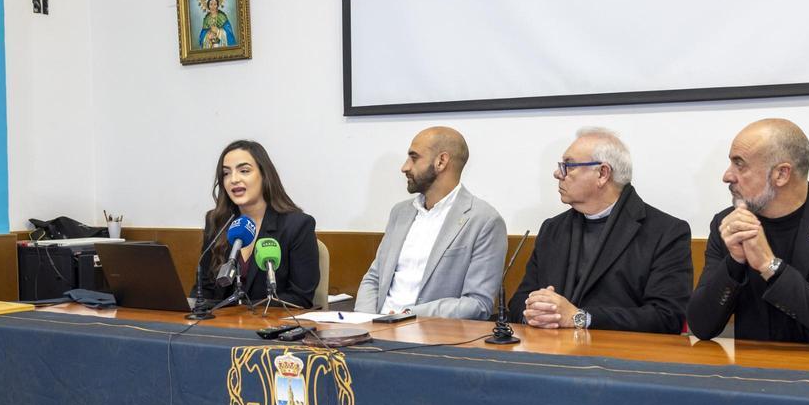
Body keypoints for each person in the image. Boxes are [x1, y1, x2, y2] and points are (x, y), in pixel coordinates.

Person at [686, 118, 809, 347]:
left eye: (740, 164)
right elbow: (702, 327)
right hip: (751, 367)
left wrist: (769, 266)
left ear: (781, 174)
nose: (727, 176)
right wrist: (734, 262)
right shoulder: (730, 225)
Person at [510, 128, 691, 332]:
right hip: (550, 348)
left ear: (603, 174)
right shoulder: (552, 229)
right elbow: (518, 301)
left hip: (622, 351)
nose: (557, 174)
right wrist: (533, 313)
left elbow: (667, 317)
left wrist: (581, 318)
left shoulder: (666, 232)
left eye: (568, 165)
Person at [355, 127, 507, 319]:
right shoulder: (400, 213)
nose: (405, 167)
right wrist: (363, 320)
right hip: (376, 327)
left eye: (414, 158)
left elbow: (478, 304)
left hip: (428, 331)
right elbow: (374, 278)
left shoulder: (484, 220)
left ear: (441, 161)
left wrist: (407, 315)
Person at [194, 140, 319, 307]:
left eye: (244, 171)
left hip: (270, 321)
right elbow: (204, 290)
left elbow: (300, 297)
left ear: (264, 175)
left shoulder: (297, 226)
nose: (233, 179)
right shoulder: (217, 222)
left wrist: (240, 313)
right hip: (221, 322)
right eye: (226, 173)